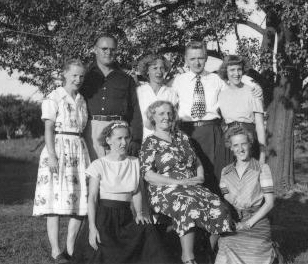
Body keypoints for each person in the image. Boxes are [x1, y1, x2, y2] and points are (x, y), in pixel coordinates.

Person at [140, 100, 234, 264]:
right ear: (152, 117)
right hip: (164, 189)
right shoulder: (150, 142)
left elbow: (197, 161)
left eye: (169, 113)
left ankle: (205, 253)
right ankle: (188, 257)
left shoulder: (182, 137)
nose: (167, 117)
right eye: (161, 113)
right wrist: (177, 183)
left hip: (191, 186)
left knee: (220, 207)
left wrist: (200, 177)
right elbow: (148, 175)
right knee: (187, 205)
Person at [71, 121, 170, 264]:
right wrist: (92, 227)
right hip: (104, 218)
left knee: (148, 232)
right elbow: (92, 198)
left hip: (126, 216)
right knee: (103, 252)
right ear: (108, 140)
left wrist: (140, 213)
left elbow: (136, 192)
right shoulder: (98, 165)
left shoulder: (135, 162)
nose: (124, 142)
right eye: (119, 138)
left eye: (127, 138)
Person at [172, 41, 262, 191]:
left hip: (211, 131)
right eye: (192, 59)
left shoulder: (217, 79)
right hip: (186, 131)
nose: (197, 62)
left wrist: (255, 85)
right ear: (186, 60)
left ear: (206, 58)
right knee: (189, 170)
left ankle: (217, 209)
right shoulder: (178, 81)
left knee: (214, 173)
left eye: (200, 58)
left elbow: (237, 80)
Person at [33, 59, 90, 263]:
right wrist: (52, 156)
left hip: (78, 149)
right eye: (74, 75)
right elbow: (48, 128)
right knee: (54, 201)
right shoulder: (54, 97)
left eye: (81, 76)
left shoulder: (82, 99)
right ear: (64, 74)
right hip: (57, 147)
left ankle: (71, 246)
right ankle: (56, 251)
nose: (78, 79)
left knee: (81, 199)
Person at [215, 125, 276, 264]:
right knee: (225, 246)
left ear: (250, 144)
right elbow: (225, 197)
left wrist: (248, 223)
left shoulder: (262, 168)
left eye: (244, 144)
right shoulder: (225, 171)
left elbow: (269, 203)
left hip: (257, 221)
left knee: (251, 254)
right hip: (235, 220)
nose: (240, 149)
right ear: (230, 147)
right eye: (236, 145)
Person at [80, 33, 143, 160]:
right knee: (93, 173)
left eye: (112, 49)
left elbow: (135, 110)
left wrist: (135, 139)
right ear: (95, 50)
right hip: (92, 130)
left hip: (119, 131)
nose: (108, 52)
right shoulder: (84, 77)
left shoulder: (126, 79)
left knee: (117, 173)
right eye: (104, 49)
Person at [218, 55, 266, 164]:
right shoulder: (221, 95)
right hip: (229, 141)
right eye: (232, 70)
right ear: (226, 72)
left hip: (248, 139)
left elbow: (260, 125)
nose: (236, 73)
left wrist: (262, 153)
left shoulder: (253, 92)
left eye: (239, 69)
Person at [137, 54, 178, 139]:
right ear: (147, 71)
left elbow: (174, 119)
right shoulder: (139, 91)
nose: (159, 72)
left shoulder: (171, 93)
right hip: (143, 138)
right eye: (155, 68)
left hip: (166, 139)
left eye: (161, 68)